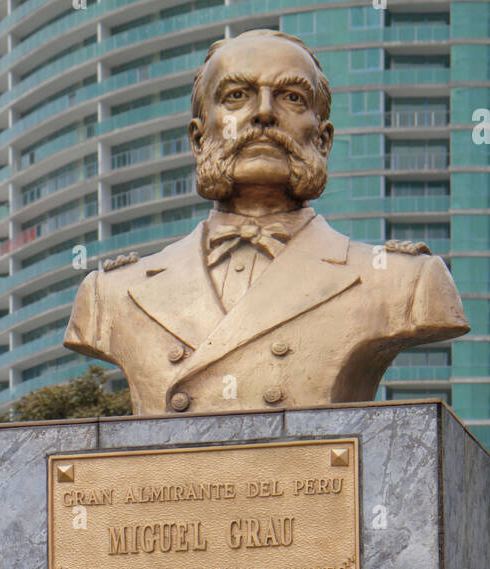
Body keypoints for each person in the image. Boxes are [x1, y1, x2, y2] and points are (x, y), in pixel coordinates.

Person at [64, 29, 468, 416]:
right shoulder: (112, 293)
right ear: (199, 137)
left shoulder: (404, 282)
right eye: (237, 96)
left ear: (323, 139)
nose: (262, 114)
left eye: (291, 97)